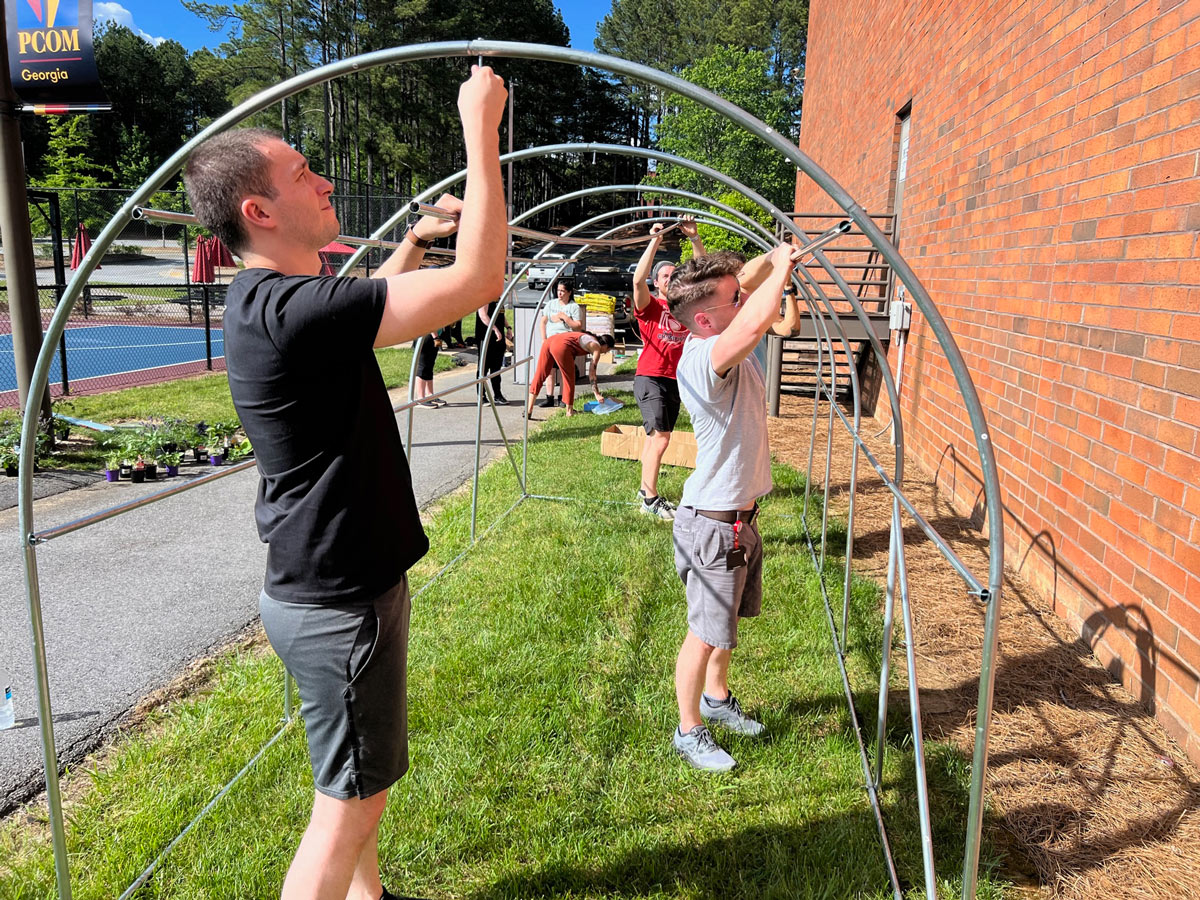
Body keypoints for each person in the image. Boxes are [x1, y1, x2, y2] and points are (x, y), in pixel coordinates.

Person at [183, 65, 508, 900]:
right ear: (259, 211)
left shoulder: (276, 301)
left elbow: (370, 299)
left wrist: (420, 241)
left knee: (361, 785)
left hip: (329, 590)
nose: (324, 179)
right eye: (303, 174)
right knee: (347, 806)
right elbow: (476, 285)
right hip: (338, 603)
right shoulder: (296, 311)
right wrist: (480, 127)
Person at [664, 243, 803, 772]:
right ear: (704, 318)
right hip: (714, 525)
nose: (742, 299)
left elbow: (743, 282)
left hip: (740, 520)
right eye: (733, 299)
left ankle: (716, 699)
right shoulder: (705, 356)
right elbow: (752, 323)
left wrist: (775, 254)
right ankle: (688, 727)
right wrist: (784, 274)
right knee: (703, 632)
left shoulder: (715, 329)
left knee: (727, 626)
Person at [630, 217, 704, 520]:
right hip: (650, 377)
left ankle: (644, 491)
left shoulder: (685, 308)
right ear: (657, 282)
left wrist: (695, 239)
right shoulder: (651, 306)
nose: (669, 279)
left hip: (676, 380)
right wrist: (655, 241)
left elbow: (705, 280)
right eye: (665, 275)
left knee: (657, 438)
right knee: (661, 437)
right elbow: (637, 281)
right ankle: (650, 499)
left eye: (674, 275)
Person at [525, 330, 614, 419]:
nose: (604, 353)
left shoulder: (588, 336)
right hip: (561, 346)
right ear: (605, 345)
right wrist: (597, 394)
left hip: (550, 341)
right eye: (606, 351)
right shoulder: (596, 347)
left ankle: (528, 410)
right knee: (569, 378)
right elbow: (592, 373)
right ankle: (569, 411)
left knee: (540, 375)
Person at [538, 278, 582, 407]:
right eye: (558, 290)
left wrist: (566, 318)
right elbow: (543, 321)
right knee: (550, 370)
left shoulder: (573, 307)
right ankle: (549, 397)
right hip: (551, 340)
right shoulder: (551, 304)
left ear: (569, 292)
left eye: (563, 291)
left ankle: (563, 397)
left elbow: (578, 326)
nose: (560, 293)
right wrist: (543, 339)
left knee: (564, 370)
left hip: (565, 343)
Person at [476, 298, 509, 404]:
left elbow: (501, 315)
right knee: (483, 368)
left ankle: (497, 394)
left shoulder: (499, 298)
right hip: (486, 337)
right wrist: (495, 329)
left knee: (496, 367)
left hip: (498, 338)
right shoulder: (485, 297)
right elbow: (483, 315)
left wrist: (508, 327)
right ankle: (481, 395)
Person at [413, 331, 445, 408]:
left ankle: (430, 395)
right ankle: (420, 398)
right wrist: (436, 337)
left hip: (433, 337)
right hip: (425, 337)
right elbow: (430, 323)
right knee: (423, 366)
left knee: (429, 366)